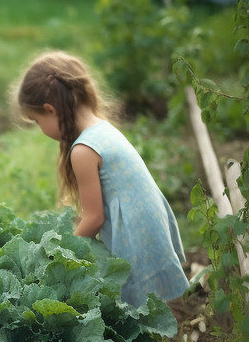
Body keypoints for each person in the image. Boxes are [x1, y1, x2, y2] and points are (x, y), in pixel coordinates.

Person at [13, 50, 189, 307]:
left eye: (37, 121)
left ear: (50, 110)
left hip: (135, 236)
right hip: (148, 227)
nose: (41, 129)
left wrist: (62, 258)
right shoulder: (103, 129)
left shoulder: (84, 150)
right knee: (157, 311)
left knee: (146, 316)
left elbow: (94, 218)